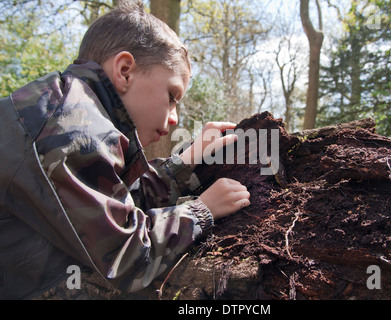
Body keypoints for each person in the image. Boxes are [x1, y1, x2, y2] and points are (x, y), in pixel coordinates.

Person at [0, 1, 250, 299]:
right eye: (171, 96)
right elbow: (126, 257)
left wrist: (185, 161)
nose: (174, 118)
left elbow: (116, 204)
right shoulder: (70, 129)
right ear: (125, 71)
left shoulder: (71, 110)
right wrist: (201, 210)